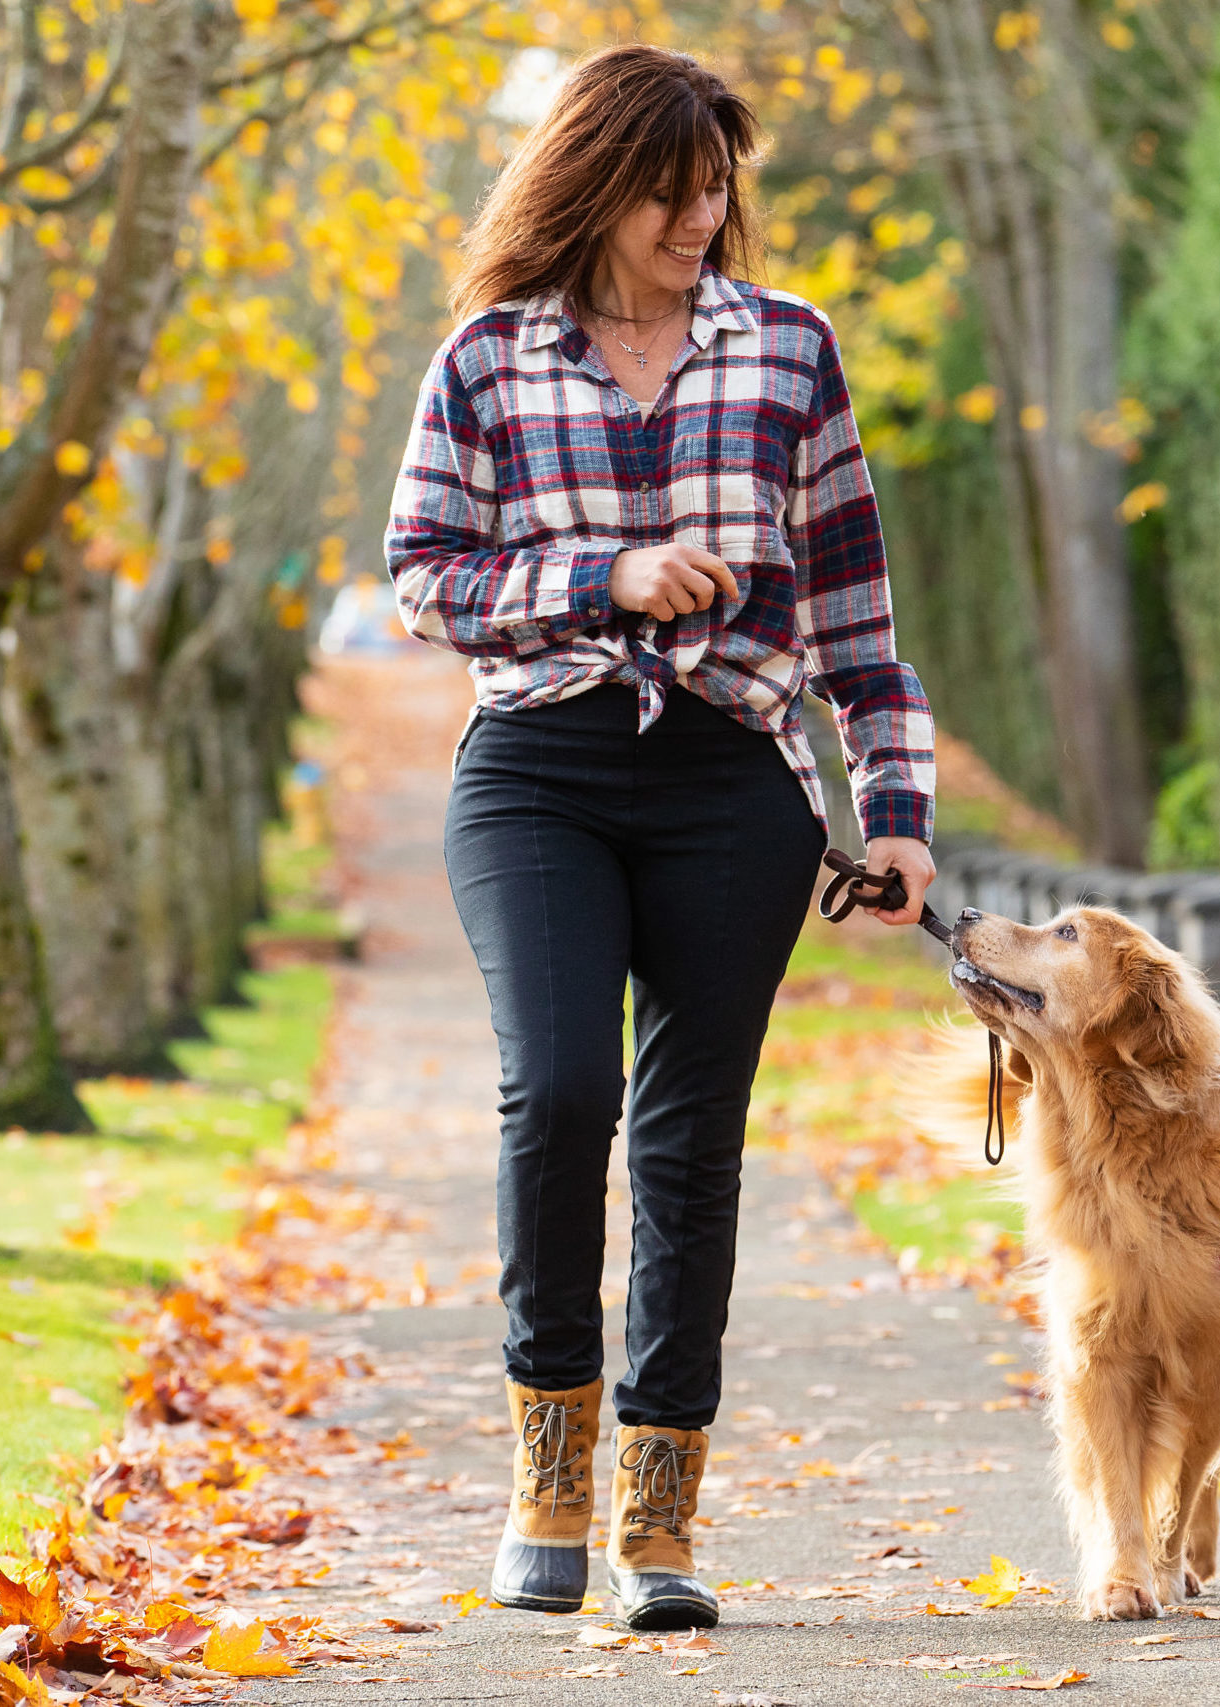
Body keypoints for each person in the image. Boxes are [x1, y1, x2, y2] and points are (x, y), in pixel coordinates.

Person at [384, 42, 936, 1631]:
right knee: (556, 1090)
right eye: (672, 187)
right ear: (593, 181)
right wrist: (599, 581)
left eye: (718, 188)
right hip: (537, 771)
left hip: (729, 786)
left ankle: (658, 1512)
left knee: (693, 1141)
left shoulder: (789, 354)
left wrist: (891, 816)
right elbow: (423, 575)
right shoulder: (489, 359)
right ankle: (545, 1462)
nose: (704, 215)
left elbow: (854, 614)